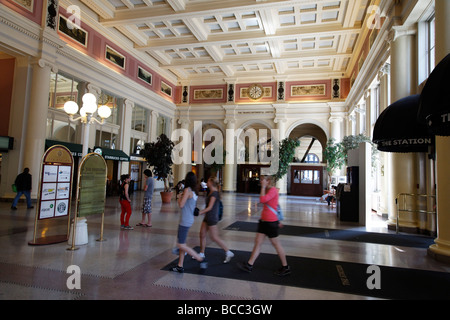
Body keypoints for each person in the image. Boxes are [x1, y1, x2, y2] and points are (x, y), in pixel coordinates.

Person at [239, 175, 291, 276]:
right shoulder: (268, 190)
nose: (261, 181)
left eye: (263, 179)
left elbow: (262, 200)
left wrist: (262, 187)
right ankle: (249, 265)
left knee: (276, 244)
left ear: (268, 181)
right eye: (261, 179)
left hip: (271, 222)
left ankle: (286, 267)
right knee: (258, 243)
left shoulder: (272, 190)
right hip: (264, 221)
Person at [171, 172, 207, 273]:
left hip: (185, 220)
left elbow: (181, 205)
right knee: (182, 243)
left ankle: (200, 259)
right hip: (188, 219)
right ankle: (180, 265)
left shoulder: (187, 190)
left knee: (181, 245)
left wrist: (178, 197)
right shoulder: (194, 192)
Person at [198, 177, 234, 264]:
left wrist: (200, 212)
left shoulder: (214, 193)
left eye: (208, 181)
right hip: (208, 216)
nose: (206, 182)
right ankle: (202, 253)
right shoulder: (210, 192)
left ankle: (228, 252)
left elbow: (210, 207)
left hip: (212, 217)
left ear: (211, 182)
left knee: (214, 237)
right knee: (202, 234)